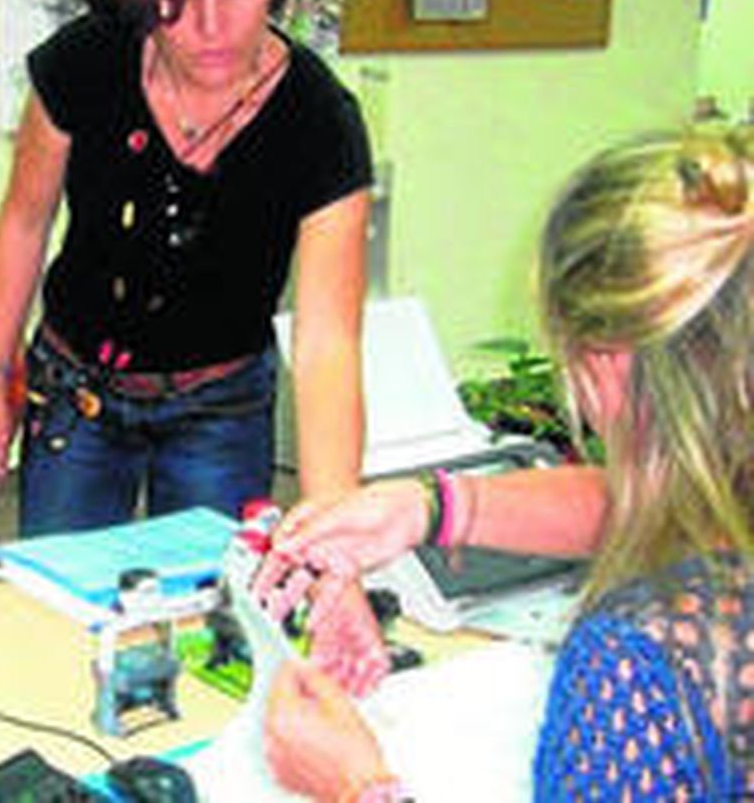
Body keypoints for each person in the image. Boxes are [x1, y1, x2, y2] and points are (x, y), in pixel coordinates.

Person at [258, 125, 754, 800]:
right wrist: (427, 508)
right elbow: (663, 505)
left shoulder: (638, 662)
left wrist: (358, 785)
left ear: (604, 367)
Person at [0, 0, 373, 537]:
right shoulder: (85, 63)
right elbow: (25, 221)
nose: (210, 25)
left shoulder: (320, 123)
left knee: (214, 617)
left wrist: (334, 522)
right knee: (60, 607)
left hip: (221, 408)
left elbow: (328, 341)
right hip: (75, 391)